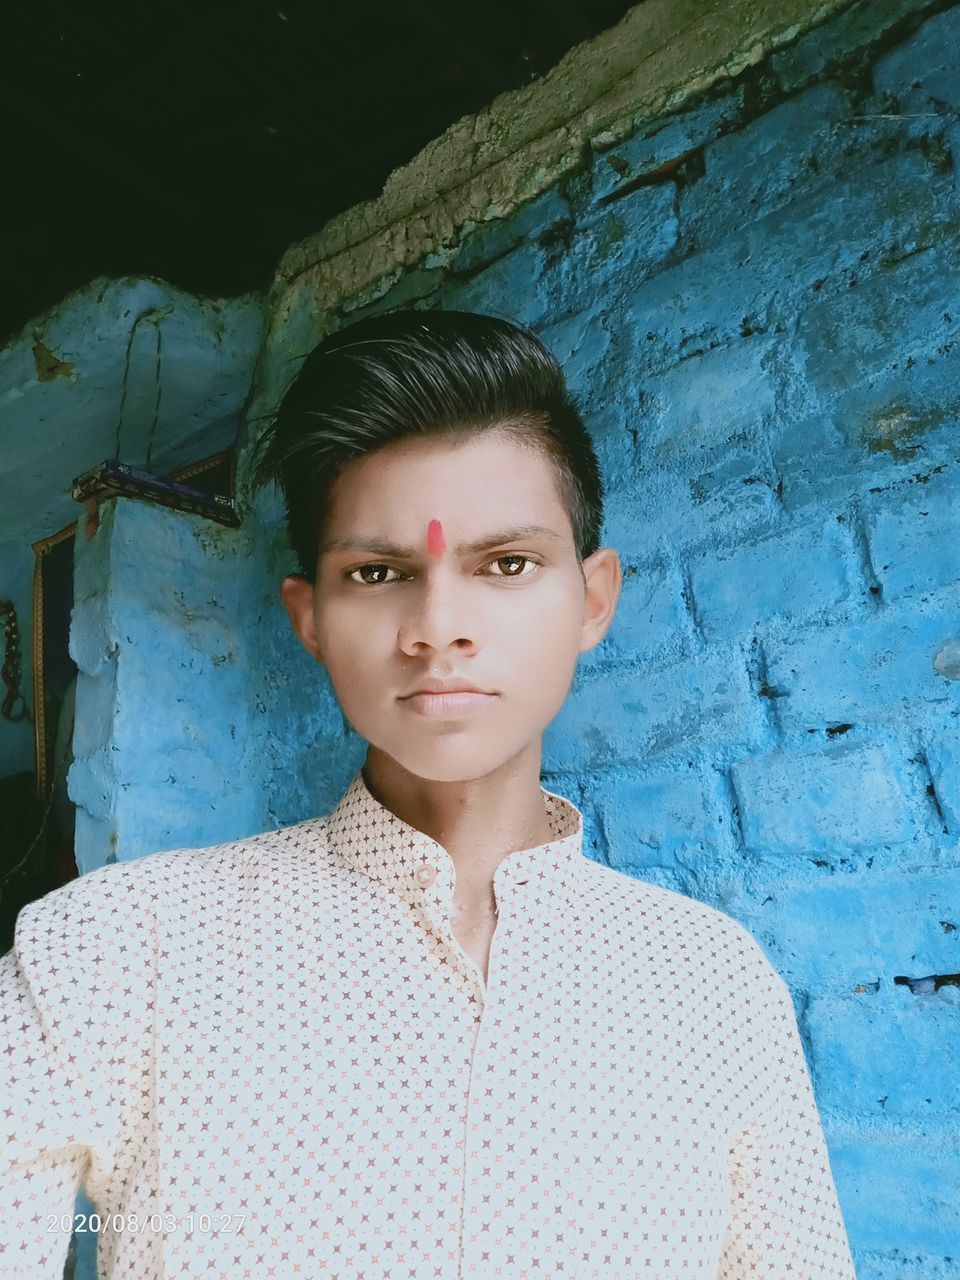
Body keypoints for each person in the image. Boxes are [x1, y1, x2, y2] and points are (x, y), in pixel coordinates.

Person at [0, 309, 857, 1279]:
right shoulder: (114, 951)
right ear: (311, 616)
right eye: (378, 571)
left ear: (594, 598)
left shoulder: (714, 983)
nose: (438, 626)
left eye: (506, 563)